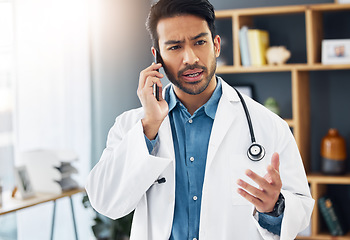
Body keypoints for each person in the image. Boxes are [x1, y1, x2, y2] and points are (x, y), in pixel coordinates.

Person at [85, 0, 314, 239]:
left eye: (199, 42)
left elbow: (300, 211)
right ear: (157, 57)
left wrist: (273, 208)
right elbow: (105, 202)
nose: (190, 58)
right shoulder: (132, 126)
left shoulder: (268, 125)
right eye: (174, 47)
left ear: (216, 45)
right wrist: (149, 126)